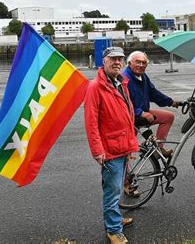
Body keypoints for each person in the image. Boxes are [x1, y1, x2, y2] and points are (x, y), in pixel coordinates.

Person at [84, 46, 138, 244]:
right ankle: (113, 230)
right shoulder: (95, 87)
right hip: (110, 149)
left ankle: (115, 219)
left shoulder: (120, 82)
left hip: (122, 145)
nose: (117, 62)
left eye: (120, 59)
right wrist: (97, 151)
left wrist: (131, 140)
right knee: (112, 190)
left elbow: (126, 114)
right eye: (113, 59)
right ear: (103, 62)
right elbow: (91, 123)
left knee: (116, 189)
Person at [123, 51, 180, 157]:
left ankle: (158, 149)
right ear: (130, 63)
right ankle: (126, 173)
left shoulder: (143, 76)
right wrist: (141, 113)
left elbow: (153, 93)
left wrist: (171, 102)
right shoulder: (125, 79)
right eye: (138, 62)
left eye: (144, 63)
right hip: (130, 117)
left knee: (168, 117)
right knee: (127, 151)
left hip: (143, 113)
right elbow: (123, 104)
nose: (141, 65)